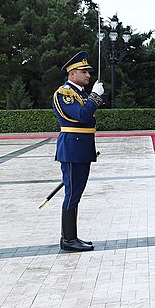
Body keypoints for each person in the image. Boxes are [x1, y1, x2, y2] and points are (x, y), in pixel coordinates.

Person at [52, 51, 105, 252]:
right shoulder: (64, 94)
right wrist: (94, 97)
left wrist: (92, 97)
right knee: (72, 194)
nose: (88, 75)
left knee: (76, 193)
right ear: (72, 74)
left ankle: (71, 236)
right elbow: (83, 116)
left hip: (81, 148)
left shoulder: (80, 94)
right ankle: (68, 239)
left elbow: (88, 117)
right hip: (72, 148)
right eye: (84, 71)